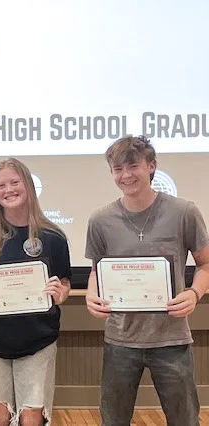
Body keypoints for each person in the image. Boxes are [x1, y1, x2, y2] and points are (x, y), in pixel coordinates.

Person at [85, 135, 209, 426]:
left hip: (172, 338)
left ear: (151, 166)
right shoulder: (100, 220)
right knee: (113, 420)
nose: (125, 175)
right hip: (120, 339)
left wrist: (194, 294)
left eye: (133, 166)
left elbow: (205, 264)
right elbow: (96, 271)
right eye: (117, 169)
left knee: (185, 420)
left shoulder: (184, 212)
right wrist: (92, 296)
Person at [0, 158, 71, 426]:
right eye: (2, 185)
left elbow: (66, 282)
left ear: (28, 186)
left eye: (15, 182)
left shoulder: (52, 236)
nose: (8, 190)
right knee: (0, 416)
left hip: (37, 339)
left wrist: (61, 293)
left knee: (31, 417)